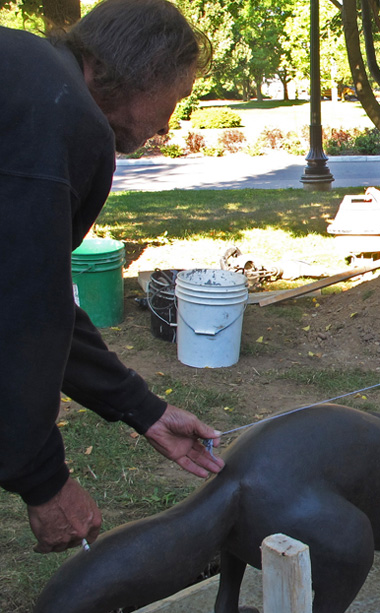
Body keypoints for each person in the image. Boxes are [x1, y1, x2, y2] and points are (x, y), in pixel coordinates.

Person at [0, 0, 224, 554]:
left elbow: (36, 289)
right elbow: (22, 307)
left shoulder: (27, 75)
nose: (168, 124)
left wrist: (144, 410)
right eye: (171, 101)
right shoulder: (65, 112)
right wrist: (45, 481)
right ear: (128, 70)